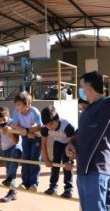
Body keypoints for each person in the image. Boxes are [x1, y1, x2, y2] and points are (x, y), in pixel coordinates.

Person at [66, 71, 110, 211]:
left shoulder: (106, 105)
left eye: (82, 87)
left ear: (90, 89)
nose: (80, 90)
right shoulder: (87, 110)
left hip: (96, 170)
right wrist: (72, 144)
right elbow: (81, 134)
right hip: (82, 170)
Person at [41, 105, 75, 198]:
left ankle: (68, 188)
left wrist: (71, 161)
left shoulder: (67, 127)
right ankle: (53, 187)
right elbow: (43, 143)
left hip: (69, 143)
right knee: (55, 163)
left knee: (66, 164)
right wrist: (46, 160)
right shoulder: (45, 128)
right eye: (47, 125)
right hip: (58, 142)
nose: (49, 127)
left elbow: (74, 143)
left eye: (51, 124)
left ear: (57, 119)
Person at [12, 91, 42, 191]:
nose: (17, 107)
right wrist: (25, 133)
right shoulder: (16, 112)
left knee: (34, 158)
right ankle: (25, 182)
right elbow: (15, 125)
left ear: (27, 104)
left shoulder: (34, 112)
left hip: (36, 137)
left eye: (19, 104)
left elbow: (40, 126)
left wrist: (28, 131)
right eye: (16, 104)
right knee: (25, 158)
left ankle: (34, 183)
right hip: (26, 137)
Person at [0, 106, 21, 202]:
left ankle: (12, 192)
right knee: (8, 170)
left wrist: (9, 132)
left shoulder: (13, 123)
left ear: (8, 116)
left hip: (15, 148)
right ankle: (13, 192)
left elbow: (16, 141)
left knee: (11, 171)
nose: (1, 121)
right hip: (5, 149)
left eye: (3, 119)